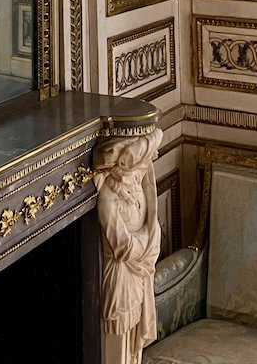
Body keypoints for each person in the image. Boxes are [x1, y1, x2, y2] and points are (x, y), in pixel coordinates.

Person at [93, 128, 164, 364]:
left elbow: (150, 213)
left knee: (133, 347)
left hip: (136, 277)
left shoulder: (136, 191)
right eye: (132, 171)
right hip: (119, 280)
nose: (137, 177)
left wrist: (148, 237)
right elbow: (123, 248)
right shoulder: (108, 201)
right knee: (117, 342)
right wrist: (149, 239)